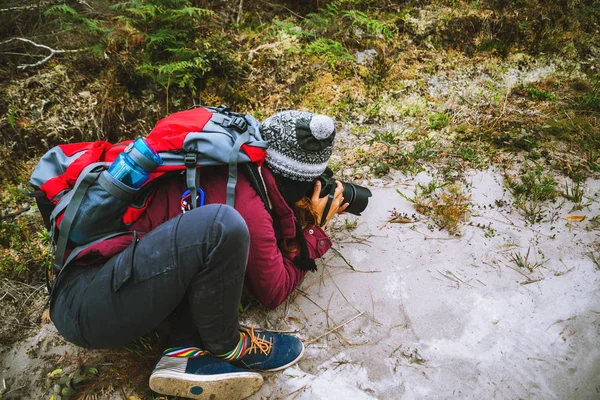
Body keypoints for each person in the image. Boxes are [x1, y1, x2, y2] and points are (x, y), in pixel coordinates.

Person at [49, 110, 348, 399]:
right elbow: (274, 290)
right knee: (223, 225)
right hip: (88, 307)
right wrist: (314, 232)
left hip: (100, 288)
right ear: (295, 181)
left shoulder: (225, 170)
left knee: (227, 261)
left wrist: (296, 220)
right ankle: (228, 345)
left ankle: (182, 355)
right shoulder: (248, 201)